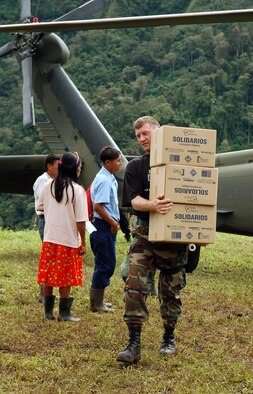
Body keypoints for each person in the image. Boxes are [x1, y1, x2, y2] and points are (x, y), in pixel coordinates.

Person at [116, 116, 188, 364]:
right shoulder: (136, 167)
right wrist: (153, 206)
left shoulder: (180, 163)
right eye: (138, 136)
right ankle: (133, 343)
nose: (142, 139)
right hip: (145, 235)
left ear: (160, 132)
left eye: (146, 133)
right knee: (134, 284)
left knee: (171, 292)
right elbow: (134, 200)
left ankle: (168, 337)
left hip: (174, 239)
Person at [37, 152, 88, 322]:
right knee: (66, 276)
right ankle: (64, 313)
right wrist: (83, 242)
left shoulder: (48, 185)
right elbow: (81, 221)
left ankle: (48, 312)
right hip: (68, 239)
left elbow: (41, 207)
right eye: (79, 166)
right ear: (74, 169)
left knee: (48, 275)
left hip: (50, 238)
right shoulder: (77, 190)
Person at [89, 146, 122, 312]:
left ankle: (98, 300)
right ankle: (96, 304)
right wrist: (113, 223)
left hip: (104, 225)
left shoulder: (108, 177)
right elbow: (98, 206)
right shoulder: (104, 180)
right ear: (108, 162)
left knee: (103, 262)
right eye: (117, 161)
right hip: (103, 226)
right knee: (106, 264)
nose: (120, 163)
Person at [33, 153, 60, 303]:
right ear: (49, 166)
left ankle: (47, 292)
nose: (59, 169)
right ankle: (43, 294)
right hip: (46, 220)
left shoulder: (54, 180)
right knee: (48, 257)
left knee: (53, 257)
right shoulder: (43, 181)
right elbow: (41, 205)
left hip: (54, 220)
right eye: (57, 166)